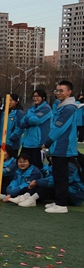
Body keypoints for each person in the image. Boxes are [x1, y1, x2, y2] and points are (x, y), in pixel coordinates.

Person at [45, 80, 80, 214]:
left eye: (61, 91)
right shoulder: (61, 106)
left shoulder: (69, 108)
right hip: (59, 146)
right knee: (58, 175)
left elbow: (59, 128)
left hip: (63, 147)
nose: (58, 93)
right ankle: (59, 201)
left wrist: (47, 142)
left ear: (69, 92)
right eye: (57, 90)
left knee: (61, 176)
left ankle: (61, 204)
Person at [18, 89, 52, 170]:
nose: (35, 98)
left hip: (38, 144)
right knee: (22, 165)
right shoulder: (31, 109)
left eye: (38, 96)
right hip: (27, 142)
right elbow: (22, 122)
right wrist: (29, 120)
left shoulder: (46, 109)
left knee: (36, 167)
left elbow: (35, 120)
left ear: (43, 97)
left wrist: (28, 119)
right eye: (34, 96)